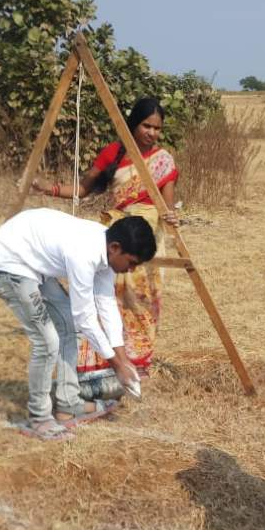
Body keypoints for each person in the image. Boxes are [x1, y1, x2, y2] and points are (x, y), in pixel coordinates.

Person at [30, 97, 178, 399]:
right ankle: (101, 364)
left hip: (145, 242)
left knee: (140, 303)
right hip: (117, 240)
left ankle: (138, 364)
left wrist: (173, 215)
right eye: (146, 126)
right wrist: (50, 188)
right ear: (132, 124)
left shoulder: (163, 160)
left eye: (157, 128)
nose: (152, 133)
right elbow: (83, 189)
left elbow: (166, 206)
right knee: (104, 300)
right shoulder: (113, 153)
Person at [0, 208, 156, 440]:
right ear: (115, 248)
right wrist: (116, 365)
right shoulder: (84, 253)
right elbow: (85, 316)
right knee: (47, 341)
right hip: (8, 262)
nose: (131, 270)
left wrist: (124, 360)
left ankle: (68, 403)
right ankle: (39, 419)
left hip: (32, 263)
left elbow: (106, 304)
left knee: (68, 324)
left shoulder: (107, 249)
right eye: (131, 263)